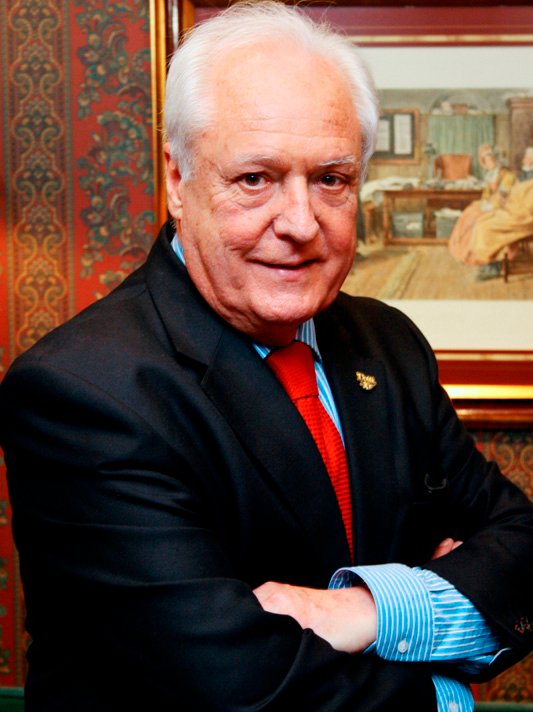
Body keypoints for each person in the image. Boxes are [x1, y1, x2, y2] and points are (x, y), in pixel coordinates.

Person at [0, 3, 531, 710]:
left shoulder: (389, 346)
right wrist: (444, 695)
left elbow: (524, 549)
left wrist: (370, 609)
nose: (301, 223)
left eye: (331, 179)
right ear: (178, 181)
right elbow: (234, 685)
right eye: (255, 178)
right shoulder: (83, 390)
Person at [448, 143, 517, 266]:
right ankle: (466, 251)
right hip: (491, 204)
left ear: (496, 159)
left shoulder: (508, 175)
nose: (488, 163)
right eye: (486, 161)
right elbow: (487, 193)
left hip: (504, 207)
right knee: (468, 214)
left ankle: (484, 256)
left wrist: (491, 205)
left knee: (477, 220)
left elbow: (503, 195)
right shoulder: (491, 174)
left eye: (490, 160)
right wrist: (485, 201)